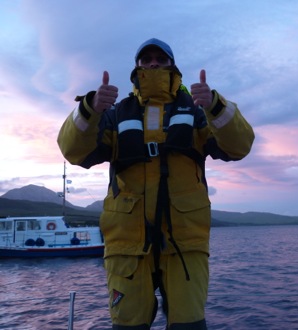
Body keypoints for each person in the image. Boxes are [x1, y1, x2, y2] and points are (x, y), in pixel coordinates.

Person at [57, 38, 254, 329]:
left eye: (160, 59)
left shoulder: (198, 112)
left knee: (189, 325)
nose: (152, 63)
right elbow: (73, 151)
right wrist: (89, 109)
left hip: (185, 245)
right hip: (127, 248)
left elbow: (240, 145)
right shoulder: (114, 114)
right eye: (145, 59)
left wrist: (215, 105)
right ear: (137, 68)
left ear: (172, 66)